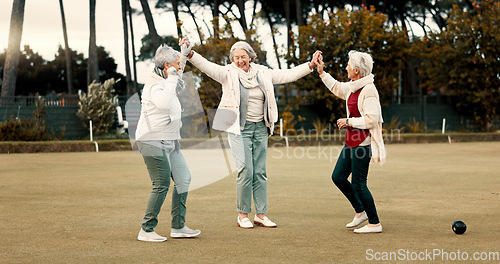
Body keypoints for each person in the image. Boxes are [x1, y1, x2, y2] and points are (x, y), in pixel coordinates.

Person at [183, 38, 322, 228]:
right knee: (246, 170)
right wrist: (190, 54)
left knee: (260, 171)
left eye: (243, 56)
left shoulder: (263, 72)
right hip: (238, 128)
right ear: (232, 59)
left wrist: (310, 65)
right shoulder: (227, 73)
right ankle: (242, 215)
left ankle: (261, 214)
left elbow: (287, 75)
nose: (240, 60)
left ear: (250, 56)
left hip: (261, 127)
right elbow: (208, 67)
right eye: (236, 57)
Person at [135, 43, 201, 242]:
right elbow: (163, 103)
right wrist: (173, 76)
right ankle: (146, 229)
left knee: (183, 179)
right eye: (175, 64)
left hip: (171, 139)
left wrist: (183, 52)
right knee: (161, 183)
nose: (180, 66)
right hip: (152, 139)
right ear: (166, 66)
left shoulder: (169, 78)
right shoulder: (156, 84)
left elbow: (178, 72)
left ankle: (178, 227)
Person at [316, 50, 386, 233]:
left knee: (359, 183)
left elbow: (372, 119)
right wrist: (322, 72)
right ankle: (360, 212)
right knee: (338, 177)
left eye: (348, 65)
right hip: (351, 141)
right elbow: (338, 88)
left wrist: (348, 121)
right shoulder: (354, 85)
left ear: (356, 70)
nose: (346, 67)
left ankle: (375, 223)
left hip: (362, 142)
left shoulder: (369, 89)